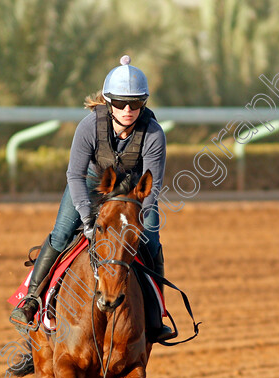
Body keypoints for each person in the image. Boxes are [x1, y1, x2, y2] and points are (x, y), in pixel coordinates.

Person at [9, 55, 176, 343]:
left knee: (152, 240)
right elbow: (74, 175)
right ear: (109, 102)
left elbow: (153, 186)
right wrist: (87, 219)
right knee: (62, 234)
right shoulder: (88, 127)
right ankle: (31, 300)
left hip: (134, 191)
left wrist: (136, 227)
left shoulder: (153, 133)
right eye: (121, 103)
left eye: (135, 104)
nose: (127, 110)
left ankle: (154, 314)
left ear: (143, 104)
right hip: (89, 182)